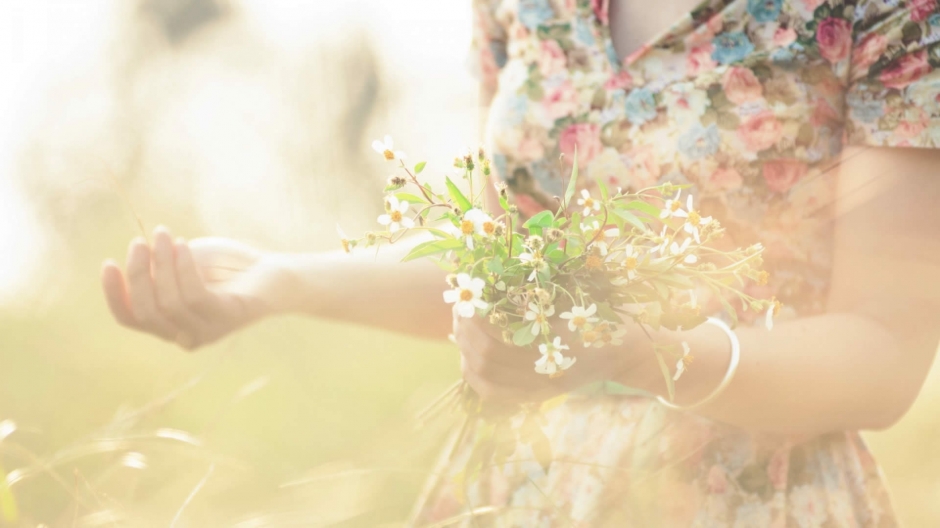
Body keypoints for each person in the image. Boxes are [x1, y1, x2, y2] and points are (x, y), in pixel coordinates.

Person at [102, 0, 940, 524]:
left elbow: (883, 357)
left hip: (756, 493)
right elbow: (512, 279)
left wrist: (640, 351)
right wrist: (279, 280)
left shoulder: (893, 9)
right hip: (524, 490)